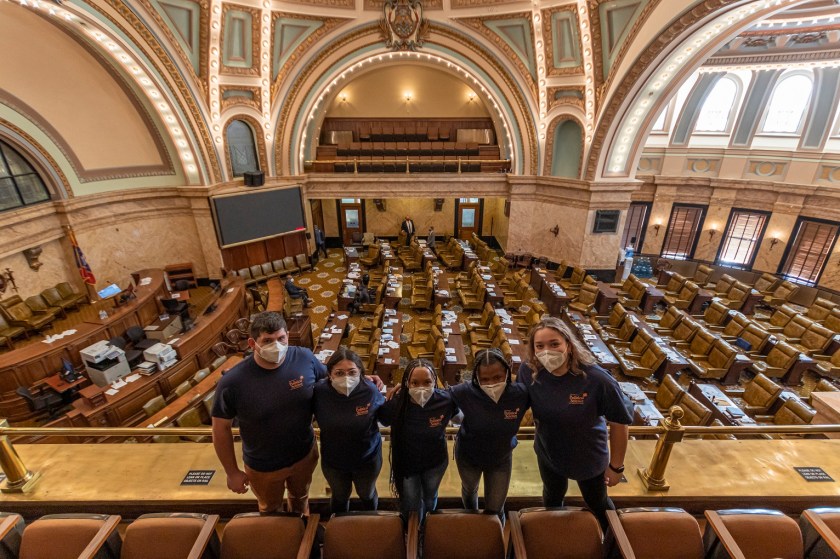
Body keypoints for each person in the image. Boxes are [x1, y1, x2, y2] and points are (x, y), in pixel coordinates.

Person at [517, 316, 632, 529]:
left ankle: (614, 539)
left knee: (597, 503)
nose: (546, 351)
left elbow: (619, 423)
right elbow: (517, 405)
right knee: (552, 498)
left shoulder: (597, 379)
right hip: (549, 453)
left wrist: (616, 467)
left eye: (554, 344)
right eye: (539, 346)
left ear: (569, 345)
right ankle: (556, 534)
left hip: (587, 456)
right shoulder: (528, 371)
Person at [211, 311, 327, 514]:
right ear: (252, 343)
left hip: (304, 455)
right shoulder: (232, 382)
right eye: (267, 340)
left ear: (287, 336)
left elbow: (329, 380)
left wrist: (363, 380)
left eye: (281, 338)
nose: (277, 345)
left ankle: (302, 531)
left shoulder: (304, 357)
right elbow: (220, 429)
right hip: (263, 466)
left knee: (300, 500)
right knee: (270, 510)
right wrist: (232, 472)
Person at [450, 348, 529, 517]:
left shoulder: (520, 393)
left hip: (501, 458)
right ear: (476, 377)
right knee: (470, 491)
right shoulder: (464, 392)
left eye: (497, 377)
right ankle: (472, 521)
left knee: (496, 508)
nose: (491, 383)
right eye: (484, 379)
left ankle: (495, 531)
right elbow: (437, 398)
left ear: (507, 372)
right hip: (469, 457)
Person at [378, 359, 457, 519]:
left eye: (427, 382)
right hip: (408, 465)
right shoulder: (398, 403)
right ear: (407, 383)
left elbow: (466, 395)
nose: (421, 388)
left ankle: (428, 525)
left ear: (435, 382)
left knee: (430, 498)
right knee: (411, 504)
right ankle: (413, 528)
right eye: (415, 383)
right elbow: (382, 417)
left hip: (435, 462)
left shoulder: (445, 400)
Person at [313, 347, 385, 513]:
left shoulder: (370, 390)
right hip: (334, 461)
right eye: (339, 373)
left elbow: (385, 417)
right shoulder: (319, 392)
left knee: (367, 495)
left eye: (352, 372)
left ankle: (372, 522)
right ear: (330, 374)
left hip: (367, 459)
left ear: (360, 373)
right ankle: (339, 526)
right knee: (339, 497)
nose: (346, 378)